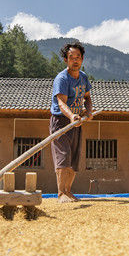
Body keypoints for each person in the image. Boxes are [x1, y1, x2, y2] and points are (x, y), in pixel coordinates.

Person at [50, 41, 93, 203]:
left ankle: (68, 191)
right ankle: (61, 193)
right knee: (64, 155)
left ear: (82, 59)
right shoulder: (62, 78)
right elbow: (61, 103)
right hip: (61, 121)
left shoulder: (83, 77)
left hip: (76, 121)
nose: (75, 60)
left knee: (74, 157)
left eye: (78, 57)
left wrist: (88, 111)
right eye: (71, 57)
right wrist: (71, 116)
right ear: (65, 60)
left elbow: (87, 98)